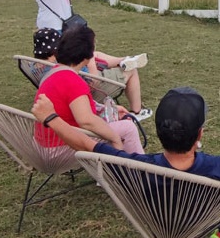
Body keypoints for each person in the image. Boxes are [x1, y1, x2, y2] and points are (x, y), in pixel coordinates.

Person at [32, 85, 220, 238]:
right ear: (199, 134)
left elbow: (84, 144)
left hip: (163, 226)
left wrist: (51, 118)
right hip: (202, 223)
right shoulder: (219, 167)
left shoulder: (135, 166)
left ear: (159, 133)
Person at [32, 24, 145, 155]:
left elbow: (76, 110)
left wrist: (106, 110)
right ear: (87, 56)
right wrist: (114, 137)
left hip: (46, 144)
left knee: (118, 127)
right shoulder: (73, 81)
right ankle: (140, 171)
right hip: (59, 148)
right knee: (128, 128)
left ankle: (125, 167)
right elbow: (86, 121)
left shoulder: (54, 72)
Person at [32, 27, 152, 122]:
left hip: (81, 76)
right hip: (91, 86)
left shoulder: (36, 66)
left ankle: (123, 60)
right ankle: (137, 112)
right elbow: (93, 81)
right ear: (54, 50)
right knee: (131, 70)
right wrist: (91, 62)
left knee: (95, 54)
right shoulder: (62, 71)